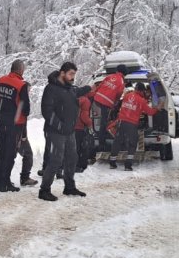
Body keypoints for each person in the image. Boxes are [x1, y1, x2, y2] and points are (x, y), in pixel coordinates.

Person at [39, 61, 92, 201]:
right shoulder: (51, 89)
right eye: (71, 74)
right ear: (62, 73)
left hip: (70, 132)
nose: (73, 77)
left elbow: (77, 91)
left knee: (71, 159)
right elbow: (47, 111)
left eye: (74, 74)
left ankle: (69, 187)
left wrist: (89, 88)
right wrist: (60, 126)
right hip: (55, 131)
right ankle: (44, 190)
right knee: (55, 160)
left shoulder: (69, 88)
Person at [0, 59, 30, 192]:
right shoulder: (21, 85)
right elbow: (26, 109)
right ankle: (5, 183)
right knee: (10, 154)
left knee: (1, 152)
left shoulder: (1, 80)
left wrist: (4, 109)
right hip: (15, 124)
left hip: (2, 120)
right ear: (20, 70)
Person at [109, 82, 162, 170]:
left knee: (117, 142)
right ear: (142, 91)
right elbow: (150, 112)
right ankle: (128, 165)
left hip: (121, 122)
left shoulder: (127, 96)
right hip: (132, 124)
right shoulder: (142, 100)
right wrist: (157, 108)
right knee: (132, 143)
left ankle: (112, 163)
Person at [92, 65, 128, 147]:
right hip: (106, 103)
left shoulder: (109, 76)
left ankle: (101, 138)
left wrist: (95, 94)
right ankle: (102, 142)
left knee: (102, 120)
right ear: (124, 74)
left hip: (97, 99)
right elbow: (119, 94)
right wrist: (115, 103)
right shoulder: (121, 82)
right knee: (103, 123)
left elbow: (100, 85)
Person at [74, 84, 96, 172]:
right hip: (80, 127)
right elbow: (84, 116)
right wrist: (90, 124)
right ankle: (78, 166)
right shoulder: (86, 101)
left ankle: (70, 165)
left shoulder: (77, 99)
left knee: (74, 147)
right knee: (81, 148)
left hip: (72, 126)